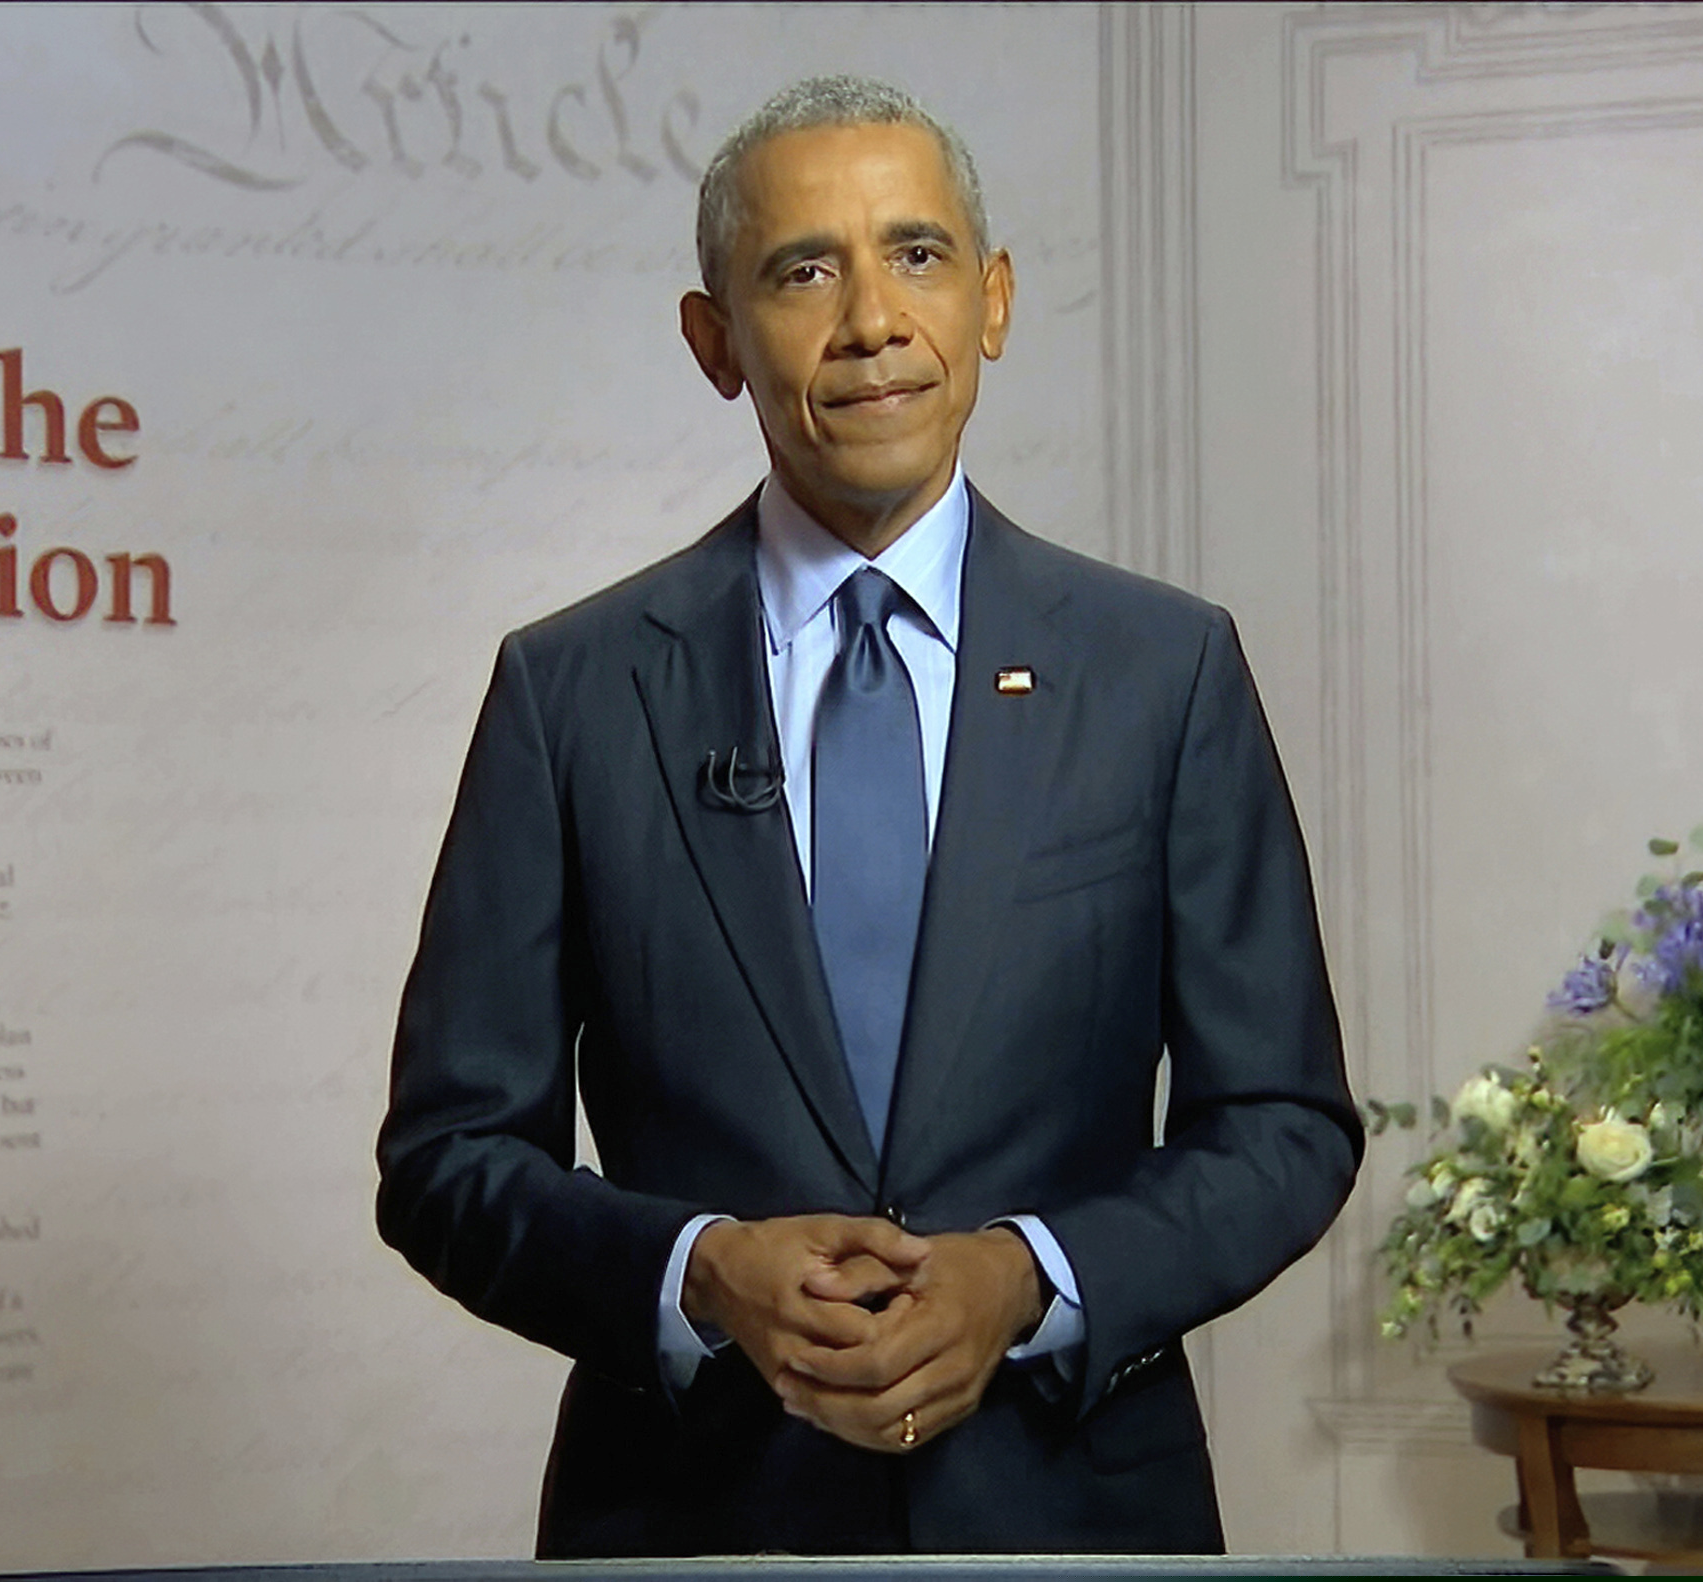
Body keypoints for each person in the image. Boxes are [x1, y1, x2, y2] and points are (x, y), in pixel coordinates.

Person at [376, 75, 1361, 1557]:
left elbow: (1281, 1120)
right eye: (800, 271)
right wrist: (698, 1269)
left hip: (1076, 1516)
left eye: (916, 255)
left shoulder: (1164, 672)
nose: (871, 322)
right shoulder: (569, 691)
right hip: (686, 1521)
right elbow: (447, 1158)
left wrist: (1030, 1277)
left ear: (995, 301)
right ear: (714, 341)